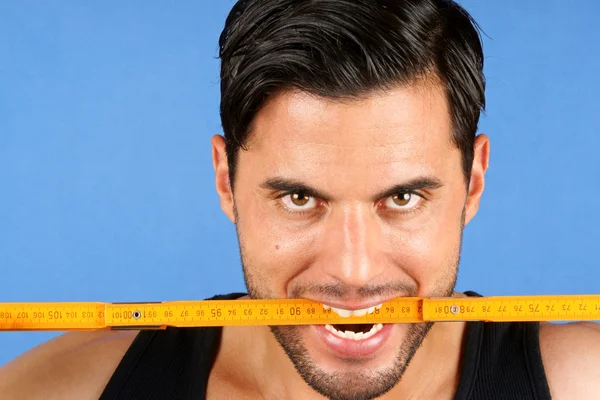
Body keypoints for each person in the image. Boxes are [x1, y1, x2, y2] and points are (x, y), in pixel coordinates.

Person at [1, 0, 599, 399]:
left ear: (473, 182)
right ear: (225, 181)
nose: (353, 271)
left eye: (404, 197)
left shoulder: (582, 381)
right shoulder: (69, 387)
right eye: (297, 197)